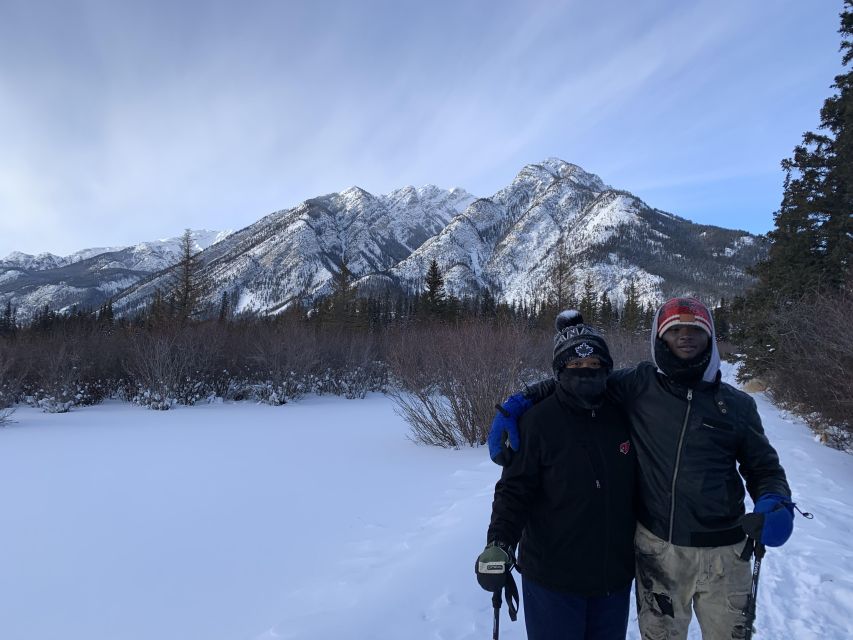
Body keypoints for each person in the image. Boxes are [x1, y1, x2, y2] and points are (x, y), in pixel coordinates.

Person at [487, 298, 795, 640]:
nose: (685, 337)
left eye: (696, 329)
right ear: (660, 338)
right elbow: (574, 375)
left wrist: (775, 500)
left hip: (725, 553)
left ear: (710, 337)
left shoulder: (737, 405)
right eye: (674, 329)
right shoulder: (640, 386)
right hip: (659, 551)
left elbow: (764, 468)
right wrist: (520, 402)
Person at [476, 311, 637, 640]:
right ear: (559, 370)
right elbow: (514, 491)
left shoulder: (623, 413)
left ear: (606, 368)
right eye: (574, 366)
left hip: (613, 577)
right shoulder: (537, 421)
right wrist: (500, 542)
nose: (585, 372)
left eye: (593, 364)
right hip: (552, 579)